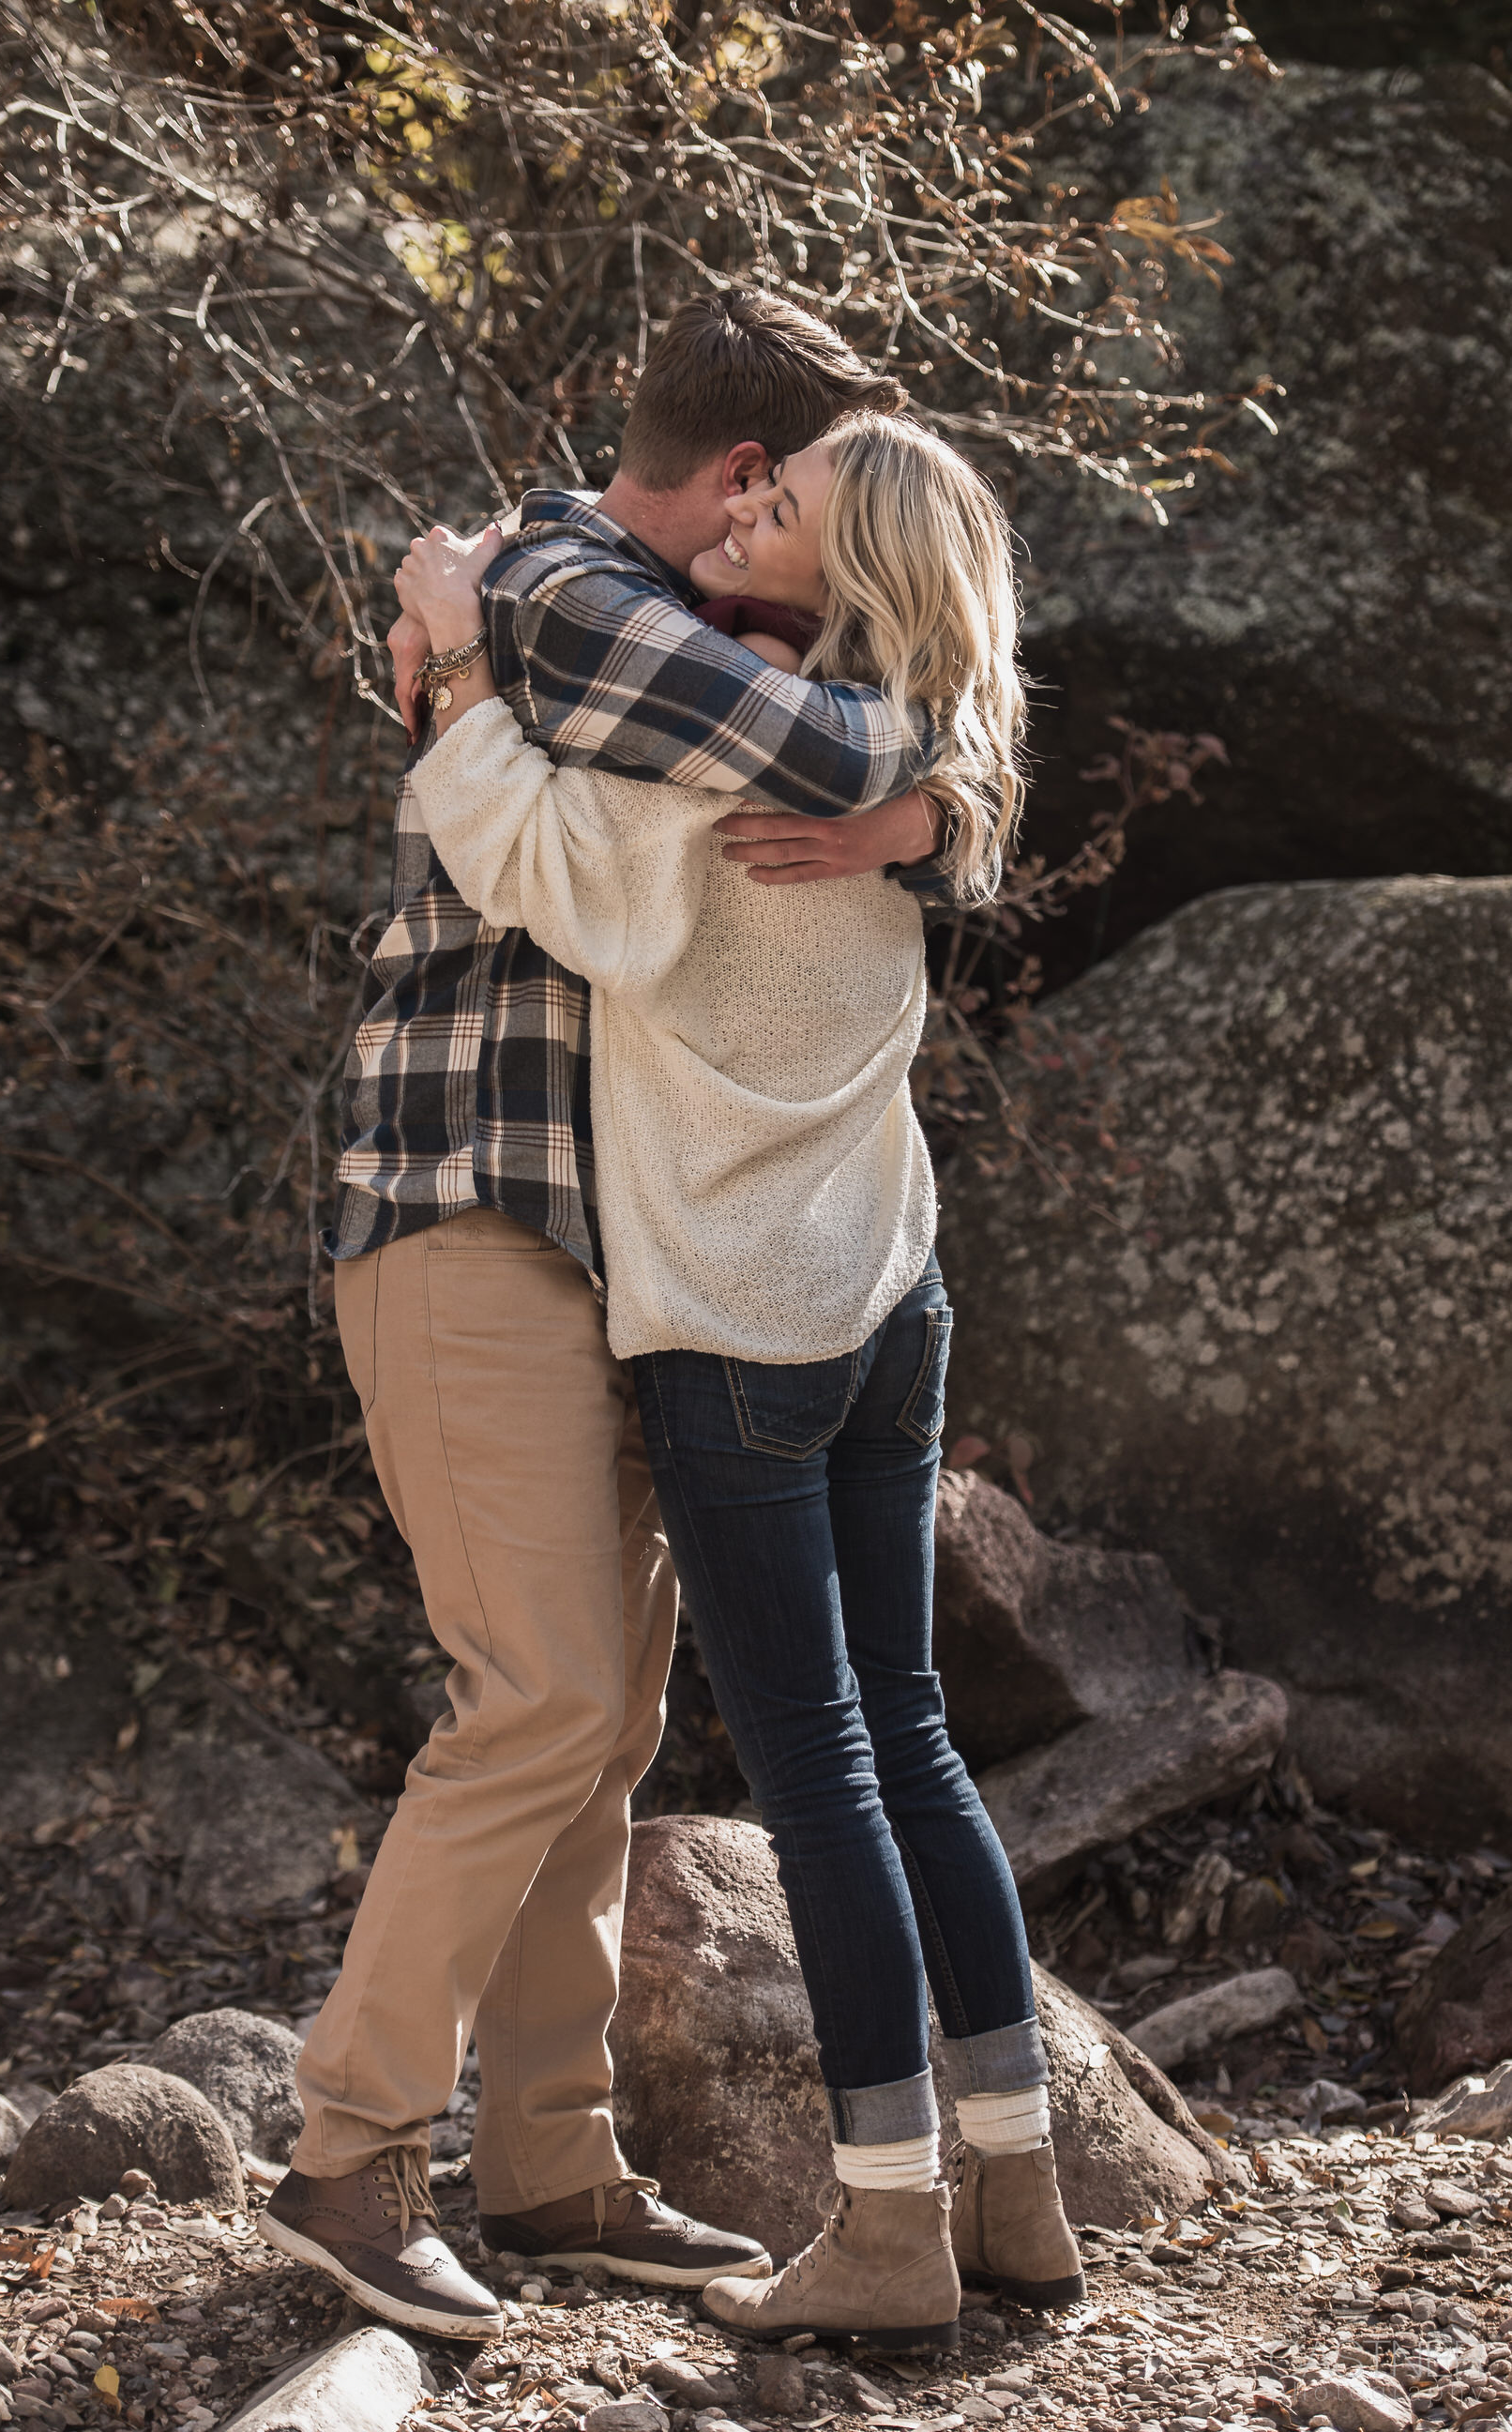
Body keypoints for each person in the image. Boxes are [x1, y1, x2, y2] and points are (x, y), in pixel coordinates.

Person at [260, 290, 960, 2340]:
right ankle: (343, 2154)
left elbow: (943, 692)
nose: (809, 545)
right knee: (545, 1696)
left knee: (605, 1726)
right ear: (748, 477)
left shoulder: (673, 621)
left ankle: (552, 2160)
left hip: (628, 1246)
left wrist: (949, 814)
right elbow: (867, 722)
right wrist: (910, 784)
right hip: (465, 1196)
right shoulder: (558, 590)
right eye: (812, 496)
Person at [391, 412, 1084, 2352]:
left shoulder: (730, 772)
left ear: (840, 566)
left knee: (825, 1773)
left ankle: (882, 2222)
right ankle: (1017, 2186)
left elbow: (526, 856)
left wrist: (452, 660)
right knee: (918, 1739)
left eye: (783, 505)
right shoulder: (909, 746)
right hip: (889, 1300)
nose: (747, 507)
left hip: (741, 1338)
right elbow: (963, 803)